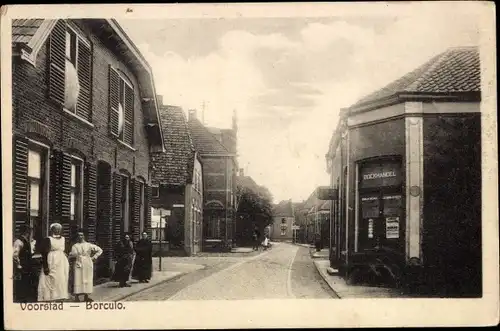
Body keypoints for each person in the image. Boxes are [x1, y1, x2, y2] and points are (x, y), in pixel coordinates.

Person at [37, 223, 70, 302]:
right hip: (51, 261)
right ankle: (49, 297)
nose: (57, 230)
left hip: (61, 262)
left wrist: (64, 255)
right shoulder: (48, 239)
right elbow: (44, 253)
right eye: (55, 229)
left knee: (61, 279)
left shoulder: (63, 239)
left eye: (59, 229)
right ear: (52, 230)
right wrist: (45, 266)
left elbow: (66, 249)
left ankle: (60, 296)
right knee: (49, 278)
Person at [69, 229, 103, 302]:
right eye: (79, 235)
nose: (80, 237)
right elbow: (72, 254)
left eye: (82, 235)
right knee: (78, 279)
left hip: (87, 263)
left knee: (87, 278)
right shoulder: (75, 246)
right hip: (78, 262)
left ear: (84, 236)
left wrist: (94, 257)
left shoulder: (89, 245)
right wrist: (73, 255)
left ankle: (86, 296)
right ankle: (77, 297)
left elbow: (100, 250)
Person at [13, 224, 37, 302]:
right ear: (26, 232)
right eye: (28, 231)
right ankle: (20, 298)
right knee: (21, 282)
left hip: (27, 266)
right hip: (22, 266)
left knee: (26, 281)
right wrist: (19, 265)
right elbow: (15, 255)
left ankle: (25, 297)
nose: (29, 233)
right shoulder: (19, 241)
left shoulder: (26, 240)